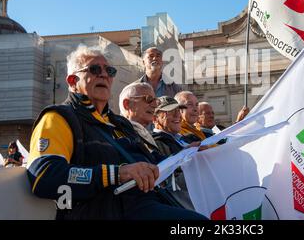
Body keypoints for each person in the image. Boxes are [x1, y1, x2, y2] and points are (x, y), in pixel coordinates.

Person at [26, 44, 207, 220]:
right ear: (73, 81)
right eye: (95, 69)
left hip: (148, 203)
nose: (104, 74)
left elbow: (152, 162)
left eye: (109, 71)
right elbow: (43, 175)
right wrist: (116, 174)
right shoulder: (59, 117)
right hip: (103, 211)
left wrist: (186, 155)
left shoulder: (119, 123)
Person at [119, 82, 160, 153]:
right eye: (149, 99)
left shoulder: (143, 133)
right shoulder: (118, 134)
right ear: (127, 104)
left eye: (155, 101)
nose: (155, 105)